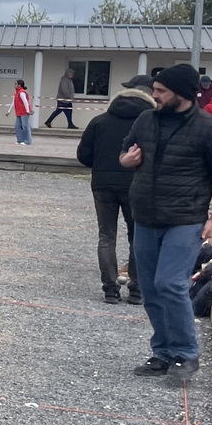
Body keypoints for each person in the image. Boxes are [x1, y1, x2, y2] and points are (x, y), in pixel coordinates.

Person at [120, 63, 212, 381]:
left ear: (182, 94)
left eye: (161, 91)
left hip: (185, 219)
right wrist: (126, 160)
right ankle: (162, 352)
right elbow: (125, 152)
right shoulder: (146, 120)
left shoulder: (209, 129)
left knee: (170, 283)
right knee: (150, 289)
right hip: (145, 217)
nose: (154, 95)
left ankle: (186, 354)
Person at [76, 77, 154, 304]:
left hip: (103, 184)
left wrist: (102, 164)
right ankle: (137, 289)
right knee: (137, 236)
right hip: (136, 185)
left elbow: (83, 155)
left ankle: (110, 288)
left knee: (106, 236)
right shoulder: (150, 124)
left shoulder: (99, 121)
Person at [13, 78, 33, 144]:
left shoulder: (21, 92)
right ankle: (20, 140)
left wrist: (27, 110)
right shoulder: (16, 93)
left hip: (24, 112)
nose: (14, 85)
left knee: (25, 126)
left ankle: (27, 141)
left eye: (16, 84)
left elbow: (25, 102)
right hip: (19, 112)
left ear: (19, 85)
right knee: (17, 126)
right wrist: (9, 110)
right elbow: (13, 102)